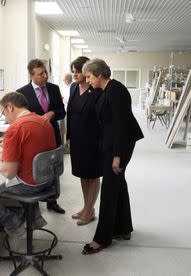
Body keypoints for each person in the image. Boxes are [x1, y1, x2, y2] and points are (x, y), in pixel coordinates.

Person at [81, 58, 144, 254]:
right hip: (112, 142)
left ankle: (102, 238)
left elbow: (120, 126)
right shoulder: (105, 90)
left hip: (120, 144)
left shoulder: (116, 90)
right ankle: (123, 228)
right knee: (118, 184)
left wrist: (117, 156)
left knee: (109, 188)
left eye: (89, 76)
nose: (87, 80)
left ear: (100, 74)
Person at [0, 92, 57, 237]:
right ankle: (35, 217)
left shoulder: (14, 129)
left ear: (9, 107)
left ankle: (11, 222)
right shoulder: (44, 122)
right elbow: (32, 146)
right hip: (48, 181)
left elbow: (9, 173)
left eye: (3, 114)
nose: (5, 118)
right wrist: (9, 144)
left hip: (29, 186)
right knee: (20, 174)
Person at [17, 59, 66, 214]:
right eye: (40, 74)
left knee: (53, 168)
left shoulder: (54, 89)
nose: (45, 76)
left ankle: (52, 201)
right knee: (34, 169)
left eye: (46, 72)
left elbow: (61, 111)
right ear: (31, 75)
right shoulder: (22, 92)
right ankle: (34, 206)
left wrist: (52, 113)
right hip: (33, 139)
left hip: (52, 135)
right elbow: (20, 116)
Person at [67, 56, 102, 226]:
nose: (74, 75)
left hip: (92, 140)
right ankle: (86, 207)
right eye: (73, 71)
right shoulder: (73, 87)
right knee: (82, 174)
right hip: (77, 139)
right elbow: (71, 112)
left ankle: (89, 210)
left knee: (92, 175)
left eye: (77, 71)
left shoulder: (96, 90)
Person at [60, 73, 73, 153]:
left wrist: (63, 98)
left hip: (70, 111)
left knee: (69, 129)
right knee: (64, 129)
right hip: (65, 111)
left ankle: (68, 146)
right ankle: (65, 146)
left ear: (68, 79)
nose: (64, 81)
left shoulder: (73, 86)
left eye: (64, 80)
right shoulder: (65, 87)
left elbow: (69, 99)